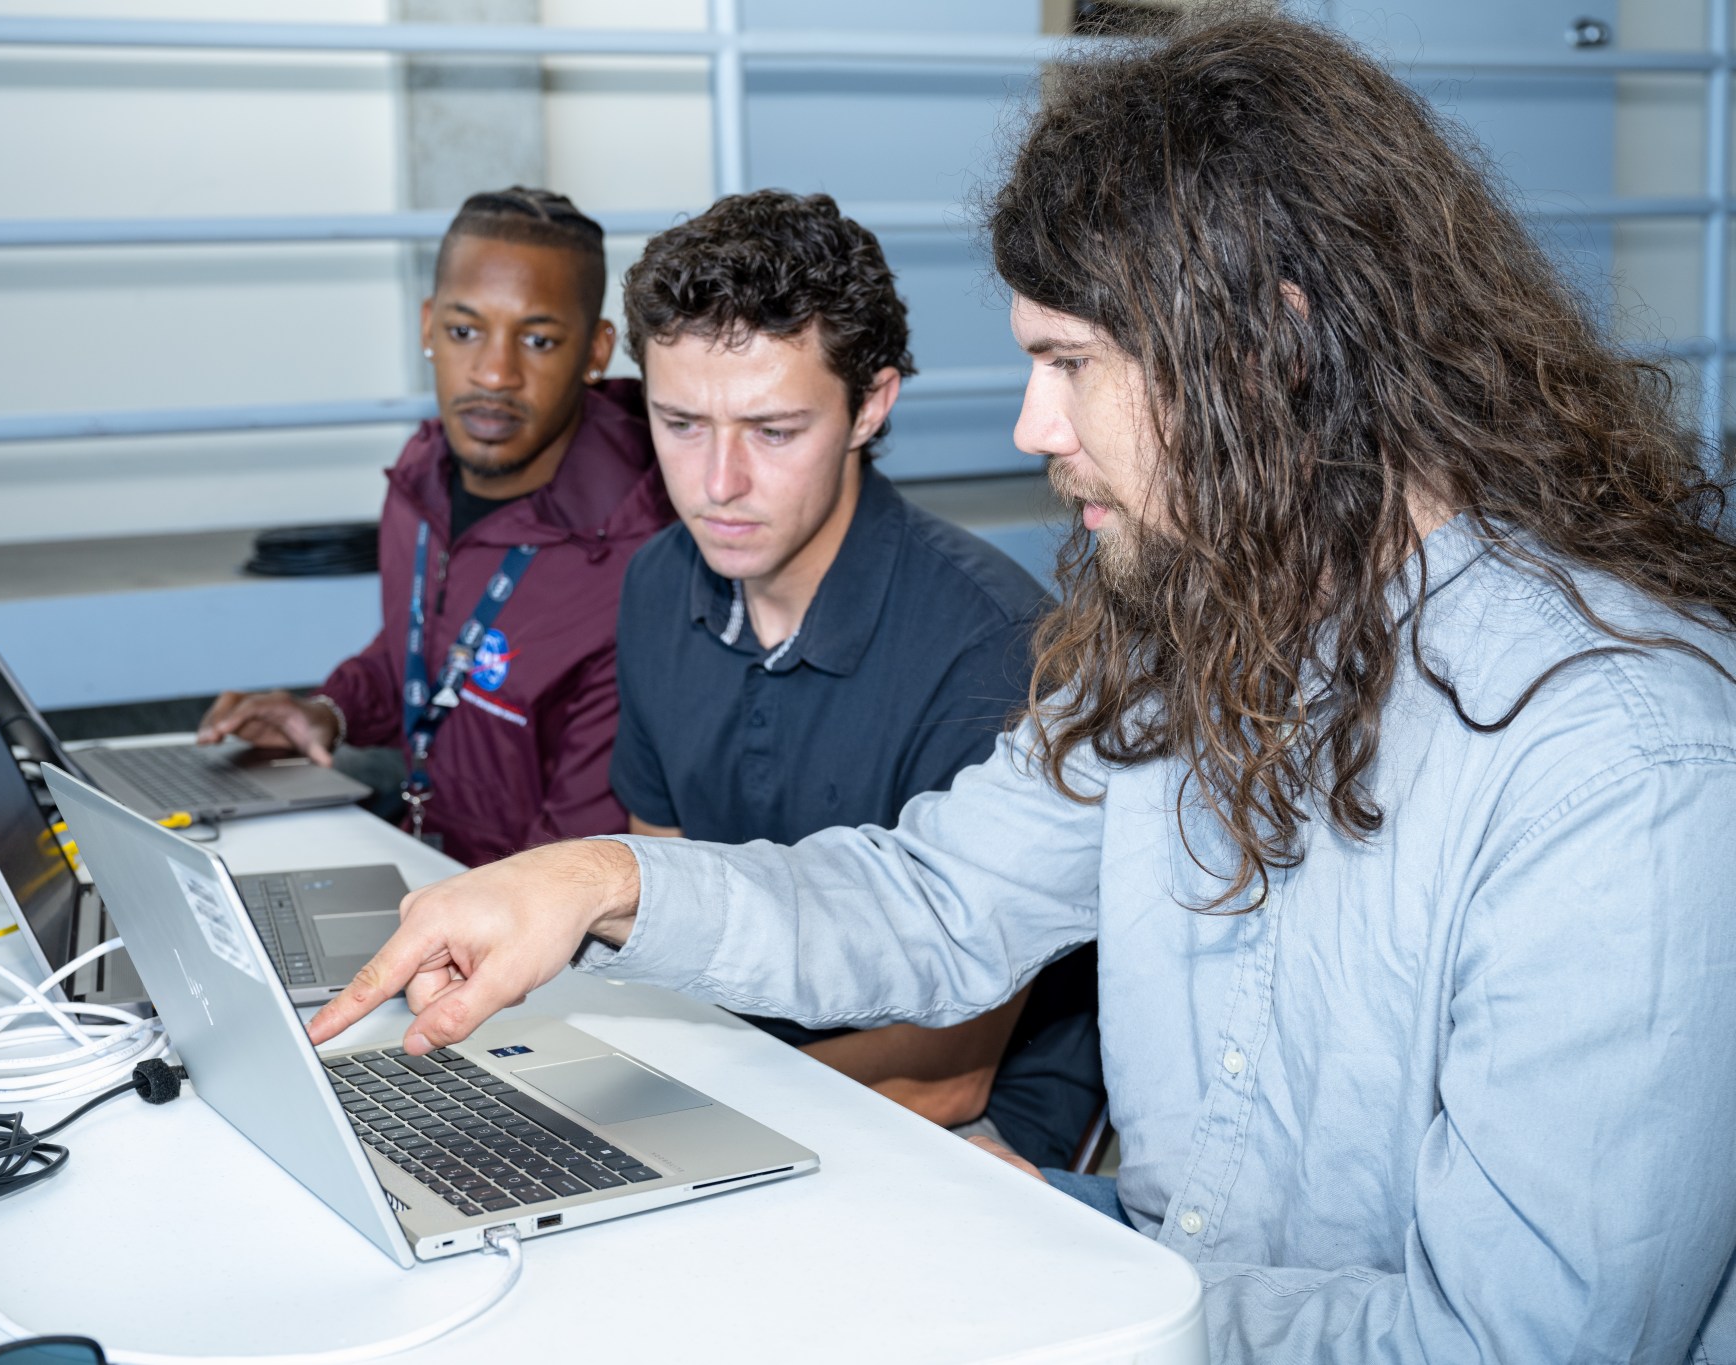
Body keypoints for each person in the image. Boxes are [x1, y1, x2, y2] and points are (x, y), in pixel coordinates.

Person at [310, 15, 1736, 1364]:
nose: (1030, 425)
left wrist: (1064, 1251)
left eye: (1072, 363)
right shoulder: (1189, 631)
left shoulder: (1619, 767)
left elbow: (1517, 1343)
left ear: (1280, 342)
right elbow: (936, 905)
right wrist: (602, 881)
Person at [609, 188, 1103, 1158]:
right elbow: (662, 901)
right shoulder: (655, 585)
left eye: (773, 431)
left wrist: (677, 1114)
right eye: (678, 423)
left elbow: (947, 1068)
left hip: (964, 1117)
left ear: (869, 405)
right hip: (741, 1068)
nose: (717, 485)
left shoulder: (994, 646)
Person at [199, 187, 672, 866]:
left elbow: (577, 862)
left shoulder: (639, 559)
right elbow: (427, 651)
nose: (493, 372)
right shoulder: (421, 474)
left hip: (540, 918)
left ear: (597, 352)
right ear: (427, 328)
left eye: (537, 339)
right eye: (463, 330)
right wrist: (326, 712)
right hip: (433, 861)